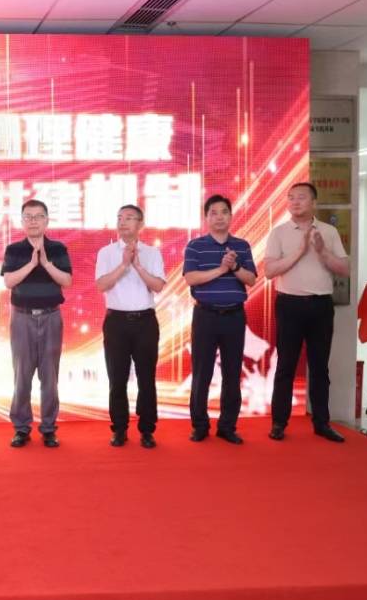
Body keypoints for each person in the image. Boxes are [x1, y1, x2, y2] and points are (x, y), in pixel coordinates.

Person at [263, 182, 350, 442]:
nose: (295, 202)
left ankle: (322, 423)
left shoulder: (328, 231)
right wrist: (300, 252)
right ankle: (279, 422)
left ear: (314, 202)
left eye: (301, 197)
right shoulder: (278, 233)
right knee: (285, 366)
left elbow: (344, 269)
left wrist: (321, 251)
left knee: (320, 367)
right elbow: (269, 271)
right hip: (289, 304)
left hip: (320, 305)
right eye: (291, 198)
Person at [182, 195, 257, 444]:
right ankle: (200, 426)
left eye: (224, 212)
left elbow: (251, 279)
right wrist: (222, 270)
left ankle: (227, 426)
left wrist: (234, 267)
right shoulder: (195, 246)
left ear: (231, 216)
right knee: (201, 373)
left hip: (234, 316)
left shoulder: (242, 246)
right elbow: (191, 278)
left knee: (232, 373)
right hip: (205, 315)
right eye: (213, 213)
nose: (219, 217)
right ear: (206, 218)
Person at [0, 199, 72, 448]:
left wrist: (46, 264)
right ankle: (21, 428)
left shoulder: (58, 248)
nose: (33, 221)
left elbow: (67, 281)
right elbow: (9, 282)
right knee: (22, 375)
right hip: (22, 318)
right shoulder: (14, 250)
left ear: (46, 220)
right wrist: (31, 264)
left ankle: (49, 428)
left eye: (38, 216)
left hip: (51, 317)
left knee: (49, 376)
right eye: (28, 217)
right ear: (22, 221)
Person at [94, 204, 166, 449]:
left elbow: (158, 286)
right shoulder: (106, 253)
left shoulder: (152, 253)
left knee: (147, 379)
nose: (123, 222)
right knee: (117, 379)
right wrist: (124, 264)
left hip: (145, 322)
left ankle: (147, 430)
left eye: (129, 218)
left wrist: (137, 265)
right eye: (119, 218)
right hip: (116, 322)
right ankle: (119, 429)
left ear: (141, 224)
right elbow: (101, 285)